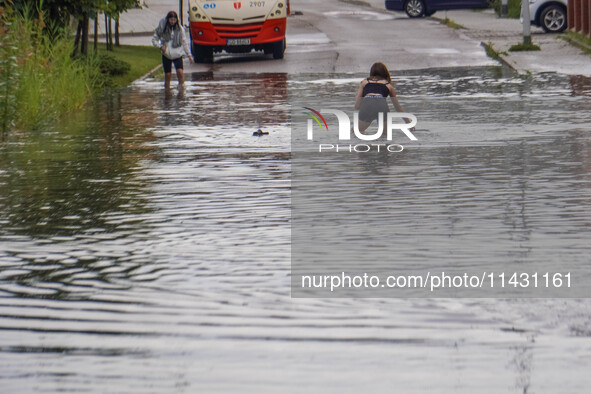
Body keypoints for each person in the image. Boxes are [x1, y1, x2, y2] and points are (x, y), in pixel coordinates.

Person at [354, 62, 414, 132]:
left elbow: (357, 105)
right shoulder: (389, 85)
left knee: (356, 132)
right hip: (382, 105)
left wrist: (366, 111)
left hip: (368, 105)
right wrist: (409, 123)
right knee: (385, 136)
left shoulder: (364, 82)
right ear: (385, 73)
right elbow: (398, 108)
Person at [152, 11, 193, 89]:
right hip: (166, 54)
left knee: (180, 72)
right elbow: (154, 39)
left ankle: (182, 88)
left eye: (174, 20)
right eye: (171, 20)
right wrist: (160, 46)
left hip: (177, 54)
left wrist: (189, 54)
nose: (172, 22)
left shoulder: (180, 29)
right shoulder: (162, 28)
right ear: (168, 19)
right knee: (167, 75)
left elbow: (184, 42)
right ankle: (167, 91)